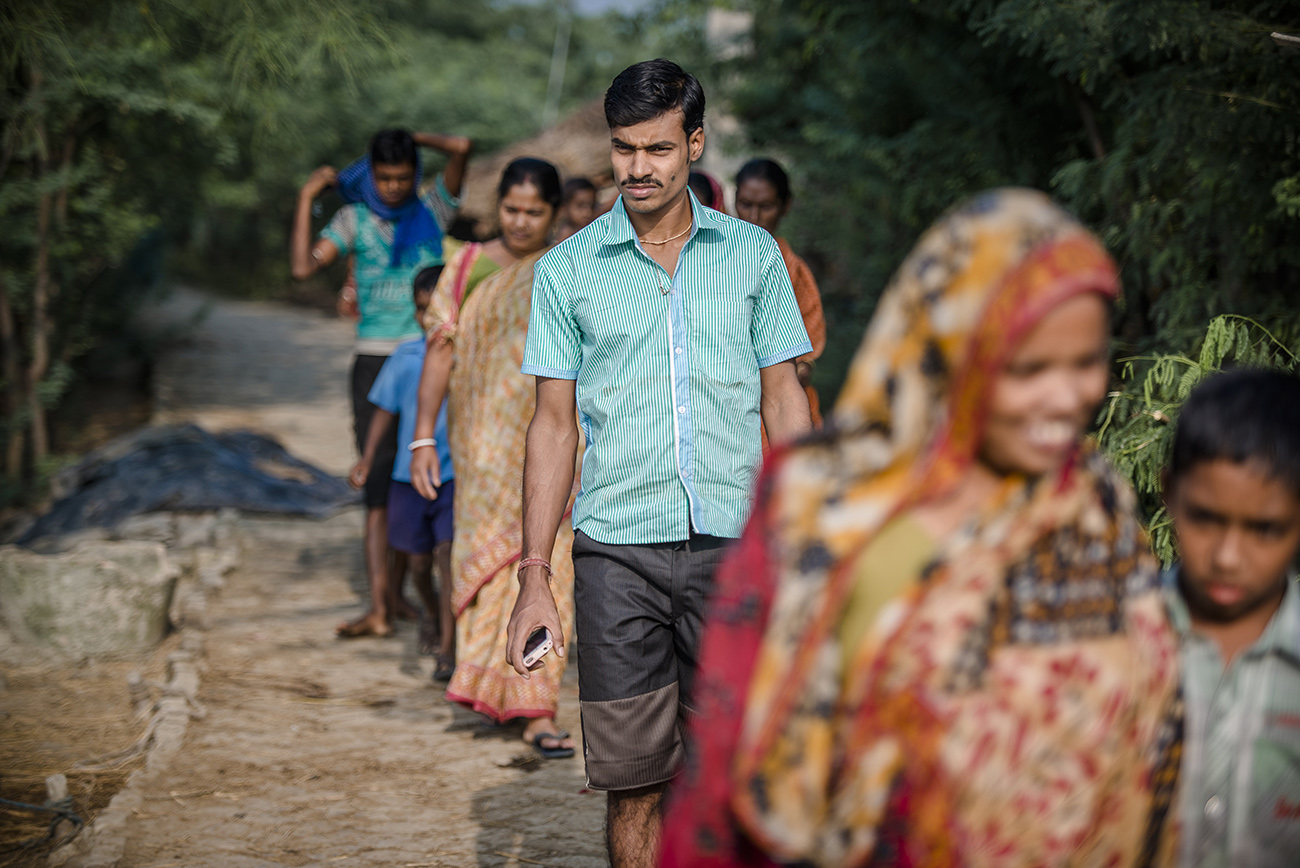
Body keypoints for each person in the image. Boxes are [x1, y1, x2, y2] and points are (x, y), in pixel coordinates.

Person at [660, 188, 1183, 868]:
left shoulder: (1093, 504)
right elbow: (733, 744)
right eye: (1028, 369)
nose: (1066, 398)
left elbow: (1147, 728)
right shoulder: (824, 507)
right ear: (953, 351)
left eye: (1085, 364)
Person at [508, 59, 814, 868]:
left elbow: (785, 403)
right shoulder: (567, 272)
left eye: (657, 149)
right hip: (617, 557)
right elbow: (551, 427)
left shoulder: (754, 259)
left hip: (736, 552)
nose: (638, 169)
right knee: (634, 782)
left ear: (694, 145)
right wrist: (534, 575)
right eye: (623, 149)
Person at [409, 158, 578, 759]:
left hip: (555, 444)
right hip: (481, 447)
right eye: (512, 209)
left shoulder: (571, 267)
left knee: (548, 567)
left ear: (554, 213)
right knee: (483, 565)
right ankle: (486, 682)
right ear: (498, 206)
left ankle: (536, 707)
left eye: (535, 212)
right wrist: (423, 437)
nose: (522, 221)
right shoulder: (464, 269)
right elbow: (439, 355)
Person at [292, 128, 472, 638]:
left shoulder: (434, 209)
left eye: (402, 176)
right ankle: (379, 606)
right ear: (369, 174)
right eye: (384, 177)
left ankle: (400, 594)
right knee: (377, 486)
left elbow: (460, 148)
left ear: (415, 174)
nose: (393, 187)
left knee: (425, 478)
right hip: (375, 360)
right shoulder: (352, 220)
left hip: (433, 359)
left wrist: (407, 135)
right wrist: (309, 198)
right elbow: (303, 268)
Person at [1161, 368, 1300, 868]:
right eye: (1204, 518)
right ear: (1168, 493)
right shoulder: (1124, 641)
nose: (1226, 557)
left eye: (1264, 529)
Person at [348, 266, 457, 678]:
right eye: (421, 309)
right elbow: (384, 412)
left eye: (435, 308)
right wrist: (367, 457)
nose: (428, 317)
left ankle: (448, 650)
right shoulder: (405, 355)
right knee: (417, 564)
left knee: (447, 558)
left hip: (454, 477)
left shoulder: (468, 355)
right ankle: (431, 613)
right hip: (407, 476)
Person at [734, 158, 827, 429]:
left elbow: (806, 357)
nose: (754, 217)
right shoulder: (714, 263)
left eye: (766, 207)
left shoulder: (794, 272)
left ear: (785, 206)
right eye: (745, 204)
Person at [556, 176, 598, 242]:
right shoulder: (565, 238)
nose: (587, 213)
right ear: (564, 207)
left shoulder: (589, 231)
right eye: (580, 206)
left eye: (592, 206)